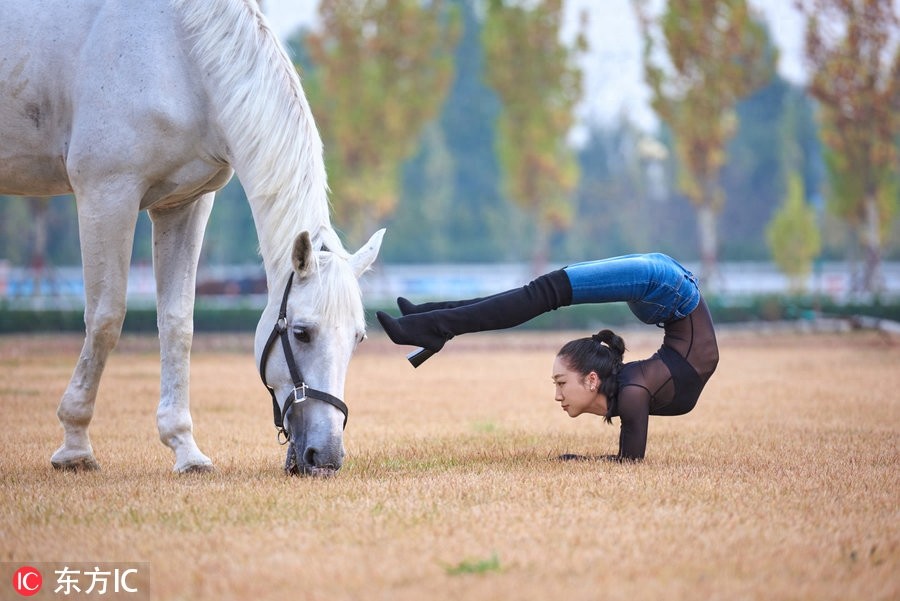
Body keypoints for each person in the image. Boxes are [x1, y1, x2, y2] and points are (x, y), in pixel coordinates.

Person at [376, 253, 719, 461]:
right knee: (541, 292)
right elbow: (630, 462)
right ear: (593, 379)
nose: (558, 395)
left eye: (561, 383)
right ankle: (430, 323)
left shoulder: (633, 390)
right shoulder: (633, 392)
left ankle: (428, 320)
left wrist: (578, 459)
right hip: (666, 287)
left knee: (539, 292)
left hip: (666, 287)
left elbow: (627, 461)